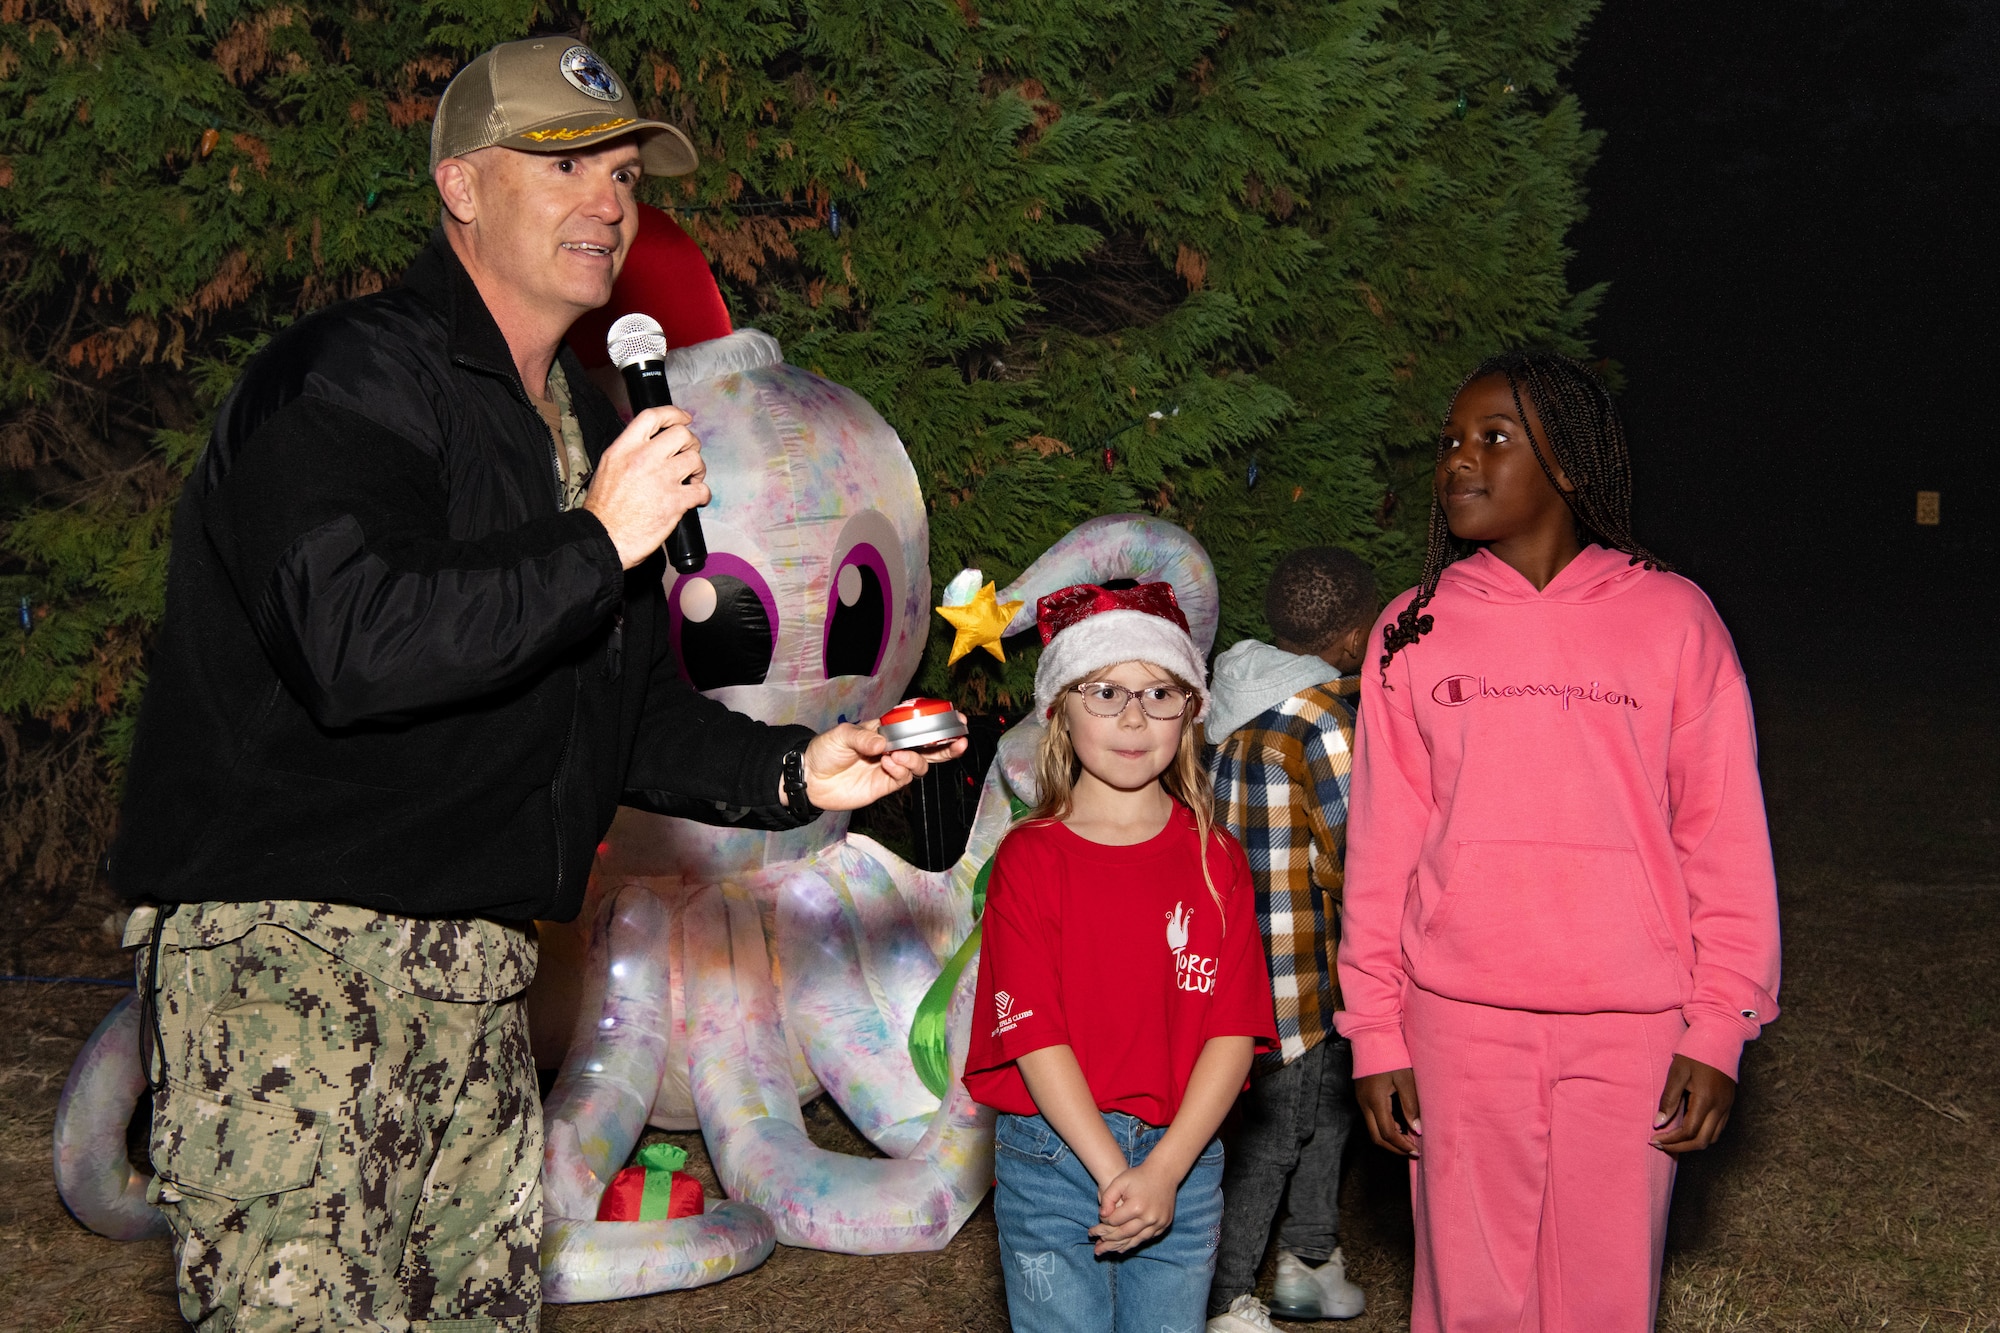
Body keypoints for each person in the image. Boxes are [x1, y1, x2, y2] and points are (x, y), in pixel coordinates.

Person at [110, 37, 964, 1333]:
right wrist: (596, 542)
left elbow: (614, 714)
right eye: (563, 164)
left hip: (481, 971)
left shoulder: (586, 420)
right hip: (291, 960)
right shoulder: (342, 379)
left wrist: (796, 772)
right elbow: (355, 640)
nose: (609, 202)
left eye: (622, 173)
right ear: (460, 185)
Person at [1337, 350, 1781, 1332]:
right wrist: (1373, 1029)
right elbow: (1378, 847)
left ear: (1570, 464)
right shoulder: (1411, 630)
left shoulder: (1671, 617)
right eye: (1450, 442)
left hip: (1630, 1025)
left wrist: (1717, 1025)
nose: (1458, 461)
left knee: (1601, 1298)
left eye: (1492, 438)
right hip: (1453, 1019)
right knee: (1470, 1299)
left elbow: (1722, 840)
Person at [965, 582, 1277, 1333]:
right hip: (1053, 1158)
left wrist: (1165, 1170)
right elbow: (1033, 1034)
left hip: (1185, 1154)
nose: (1134, 717)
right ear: (1061, 710)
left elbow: (1232, 1033)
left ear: (1190, 709)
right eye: (1105, 691)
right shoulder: (1030, 858)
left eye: (1159, 692)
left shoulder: (1216, 859)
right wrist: (1115, 1171)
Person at [1203, 547, 1378, 1332]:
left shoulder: (1227, 707)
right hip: (1298, 966)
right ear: (1350, 637)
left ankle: (1309, 1259)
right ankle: (1227, 1294)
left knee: (1326, 1108)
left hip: (1234, 955)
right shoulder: (1321, 720)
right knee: (1275, 1135)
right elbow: (1354, 851)